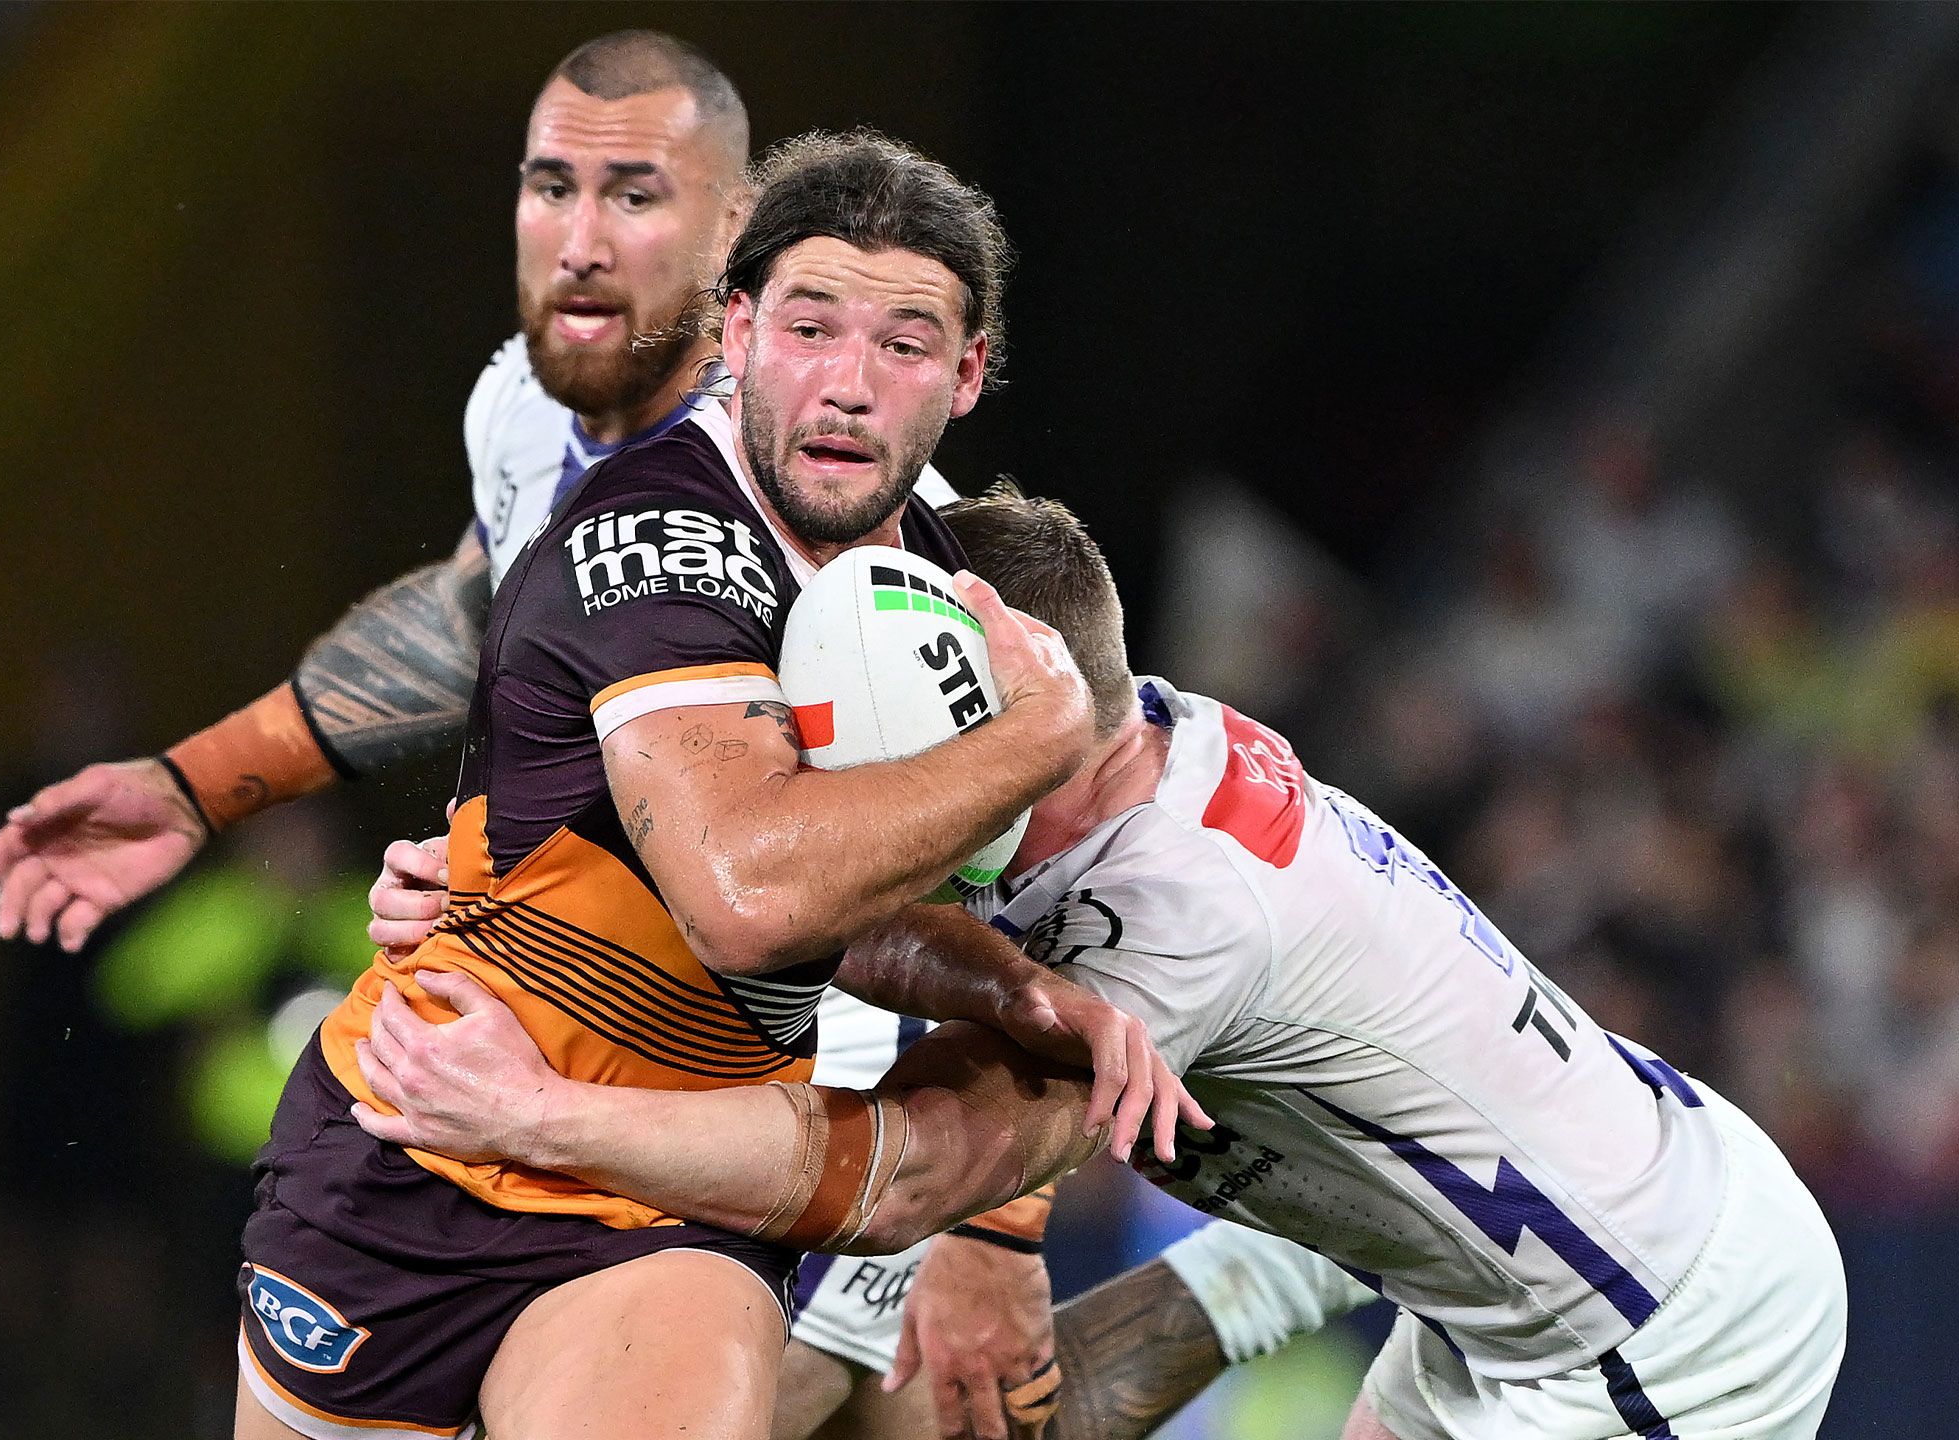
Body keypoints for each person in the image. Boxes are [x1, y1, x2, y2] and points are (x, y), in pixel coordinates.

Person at [0, 30, 1365, 1440]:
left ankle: (1264, 1276)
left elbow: (905, 894)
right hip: (428, 1134)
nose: (580, 243)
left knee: (937, 1420)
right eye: (549, 187)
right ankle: (1264, 1272)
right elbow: (483, 634)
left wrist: (995, 1216)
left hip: (749, 1147)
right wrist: (215, 786)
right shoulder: (535, 426)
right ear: (750, 319)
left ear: (724, 249)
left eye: (632, 195)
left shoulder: (923, 577)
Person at [350, 487, 1852, 1440]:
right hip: (1520, 1230)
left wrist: (538, 1116)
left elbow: (915, 1178)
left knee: (936, 1344)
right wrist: (518, 885)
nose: (874, 795)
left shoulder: (1174, 915)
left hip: (1665, 1329)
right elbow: (812, 903)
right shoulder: (1119, 737)